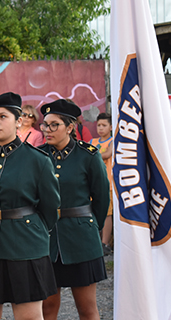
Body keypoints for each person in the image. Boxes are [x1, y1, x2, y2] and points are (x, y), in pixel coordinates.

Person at [0, 92, 60, 320]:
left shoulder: (38, 160)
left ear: (18, 121)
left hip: (25, 246)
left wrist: (32, 230)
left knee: (29, 316)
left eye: (2, 117)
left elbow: (50, 208)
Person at [38, 99, 109, 320]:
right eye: (45, 125)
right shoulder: (37, 156)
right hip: (46, 240)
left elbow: (101, 198)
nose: (47, 130)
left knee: (87, 309)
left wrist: (88, 226)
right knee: (47, 307)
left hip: (81, 240)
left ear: (70, 127)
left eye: (54, 125)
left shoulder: (88, 155)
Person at [89, 112, 114, 255]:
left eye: (104, 125)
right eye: (98, 125)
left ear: (111, 127)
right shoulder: (93, 142)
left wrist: (94, 154)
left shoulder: (112, 141)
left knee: (107, 213)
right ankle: (95, 241)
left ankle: (105, 243)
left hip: (108, 183)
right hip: (93, 183)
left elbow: (107, 154)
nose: (101, 128)